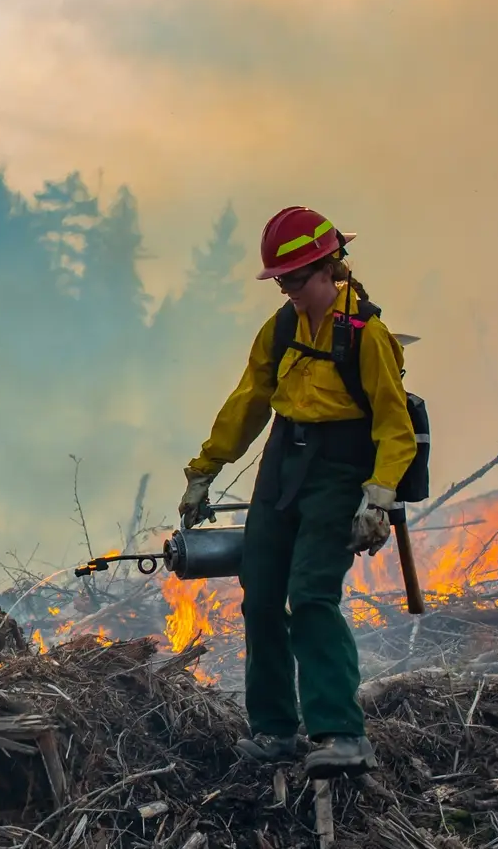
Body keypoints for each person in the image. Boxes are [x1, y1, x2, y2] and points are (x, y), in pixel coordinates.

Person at [176, 206, 417, 779]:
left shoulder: (367, 336)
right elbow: (250, 399)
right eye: (280, 281)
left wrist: (378, 498)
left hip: (340, 467)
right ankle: (276, 731)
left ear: (328, 269)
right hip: (284, 459)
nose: (287, 292)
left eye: (296, 280)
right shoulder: (281, 328)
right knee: (260, 592)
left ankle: (341, 734)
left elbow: (393, 425)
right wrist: (204, 468)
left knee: (310, 595)